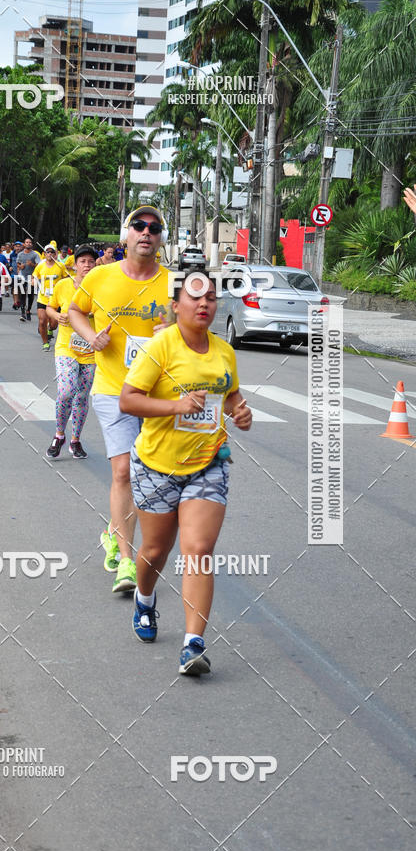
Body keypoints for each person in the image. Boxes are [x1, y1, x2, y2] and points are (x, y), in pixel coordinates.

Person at [119, 272, 252, 675]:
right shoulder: (161, 346)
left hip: (208, 463)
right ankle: (145, 599)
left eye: (211, 298)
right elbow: (128, 400)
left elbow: (230, 395)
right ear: (176, 306)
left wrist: (240, 411)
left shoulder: (224, 352)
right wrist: (177, 407)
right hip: (157, 464)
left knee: (198, 549)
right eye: (195, 298)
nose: (204, 304)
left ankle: (193, 644)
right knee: (156, 551)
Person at [68, 206, 171, 593]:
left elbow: (197, 330)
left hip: (158, 392)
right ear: (126, 235)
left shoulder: (173, 282)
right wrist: (91, 336)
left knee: (152, 476)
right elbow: (75, 310)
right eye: (139, 226)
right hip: (113, 389)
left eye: (154, 227)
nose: (146, 232)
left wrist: (174, 328)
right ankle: (127, 562)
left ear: (160, 238)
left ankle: (114, 530)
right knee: (124, 471)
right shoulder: (100, 276)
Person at [46, 245, 98, 459]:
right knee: (66, 391)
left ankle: (75, 440)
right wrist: (56, 316)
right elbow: (49, 307)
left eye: (91, 261)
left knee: (82, 397)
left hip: (90, 351)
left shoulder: (100, 288)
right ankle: (59, 434)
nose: (87, 265)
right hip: (66, 348)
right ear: (75, 265)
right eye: (83, 261)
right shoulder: (63, 285)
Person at [32, 243, 66, 351]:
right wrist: (33, 281)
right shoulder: (40, 265)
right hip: (43, 298)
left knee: (54, 324)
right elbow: (34, 276)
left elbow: (66, 279)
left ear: (55, 254)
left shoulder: (61, 266)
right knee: (42, 321)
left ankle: (50, 329)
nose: (50, 254)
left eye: (52, 252)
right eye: (48, 252)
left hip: (56, 300)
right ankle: (45, 343)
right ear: (44, 254)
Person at [16, 237, 41, 322]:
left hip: (32, 277)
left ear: (32, 244)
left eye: (30, 242)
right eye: (27, 242)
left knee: (30, 295)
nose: (28, 244)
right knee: (22, 294)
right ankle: (23, 312)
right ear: (24, 244)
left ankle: (28, 310)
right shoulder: (20, 254)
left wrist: (32, 264)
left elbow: (39, 266)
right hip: (23, 276)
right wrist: (20, 266)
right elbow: (18, 264)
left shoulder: (35, 254)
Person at [9, 240, 23, 309]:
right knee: (14, 289)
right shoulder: (12, 254)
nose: (17, 248)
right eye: (16, 246)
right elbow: (11, 263)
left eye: (19, 246)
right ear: (14, 247)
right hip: (13, 274)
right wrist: (10, 267)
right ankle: (15, 303)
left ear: (21, 247)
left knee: (20, 289)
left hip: (22, 274)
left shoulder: (23, 254)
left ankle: (19, 301)